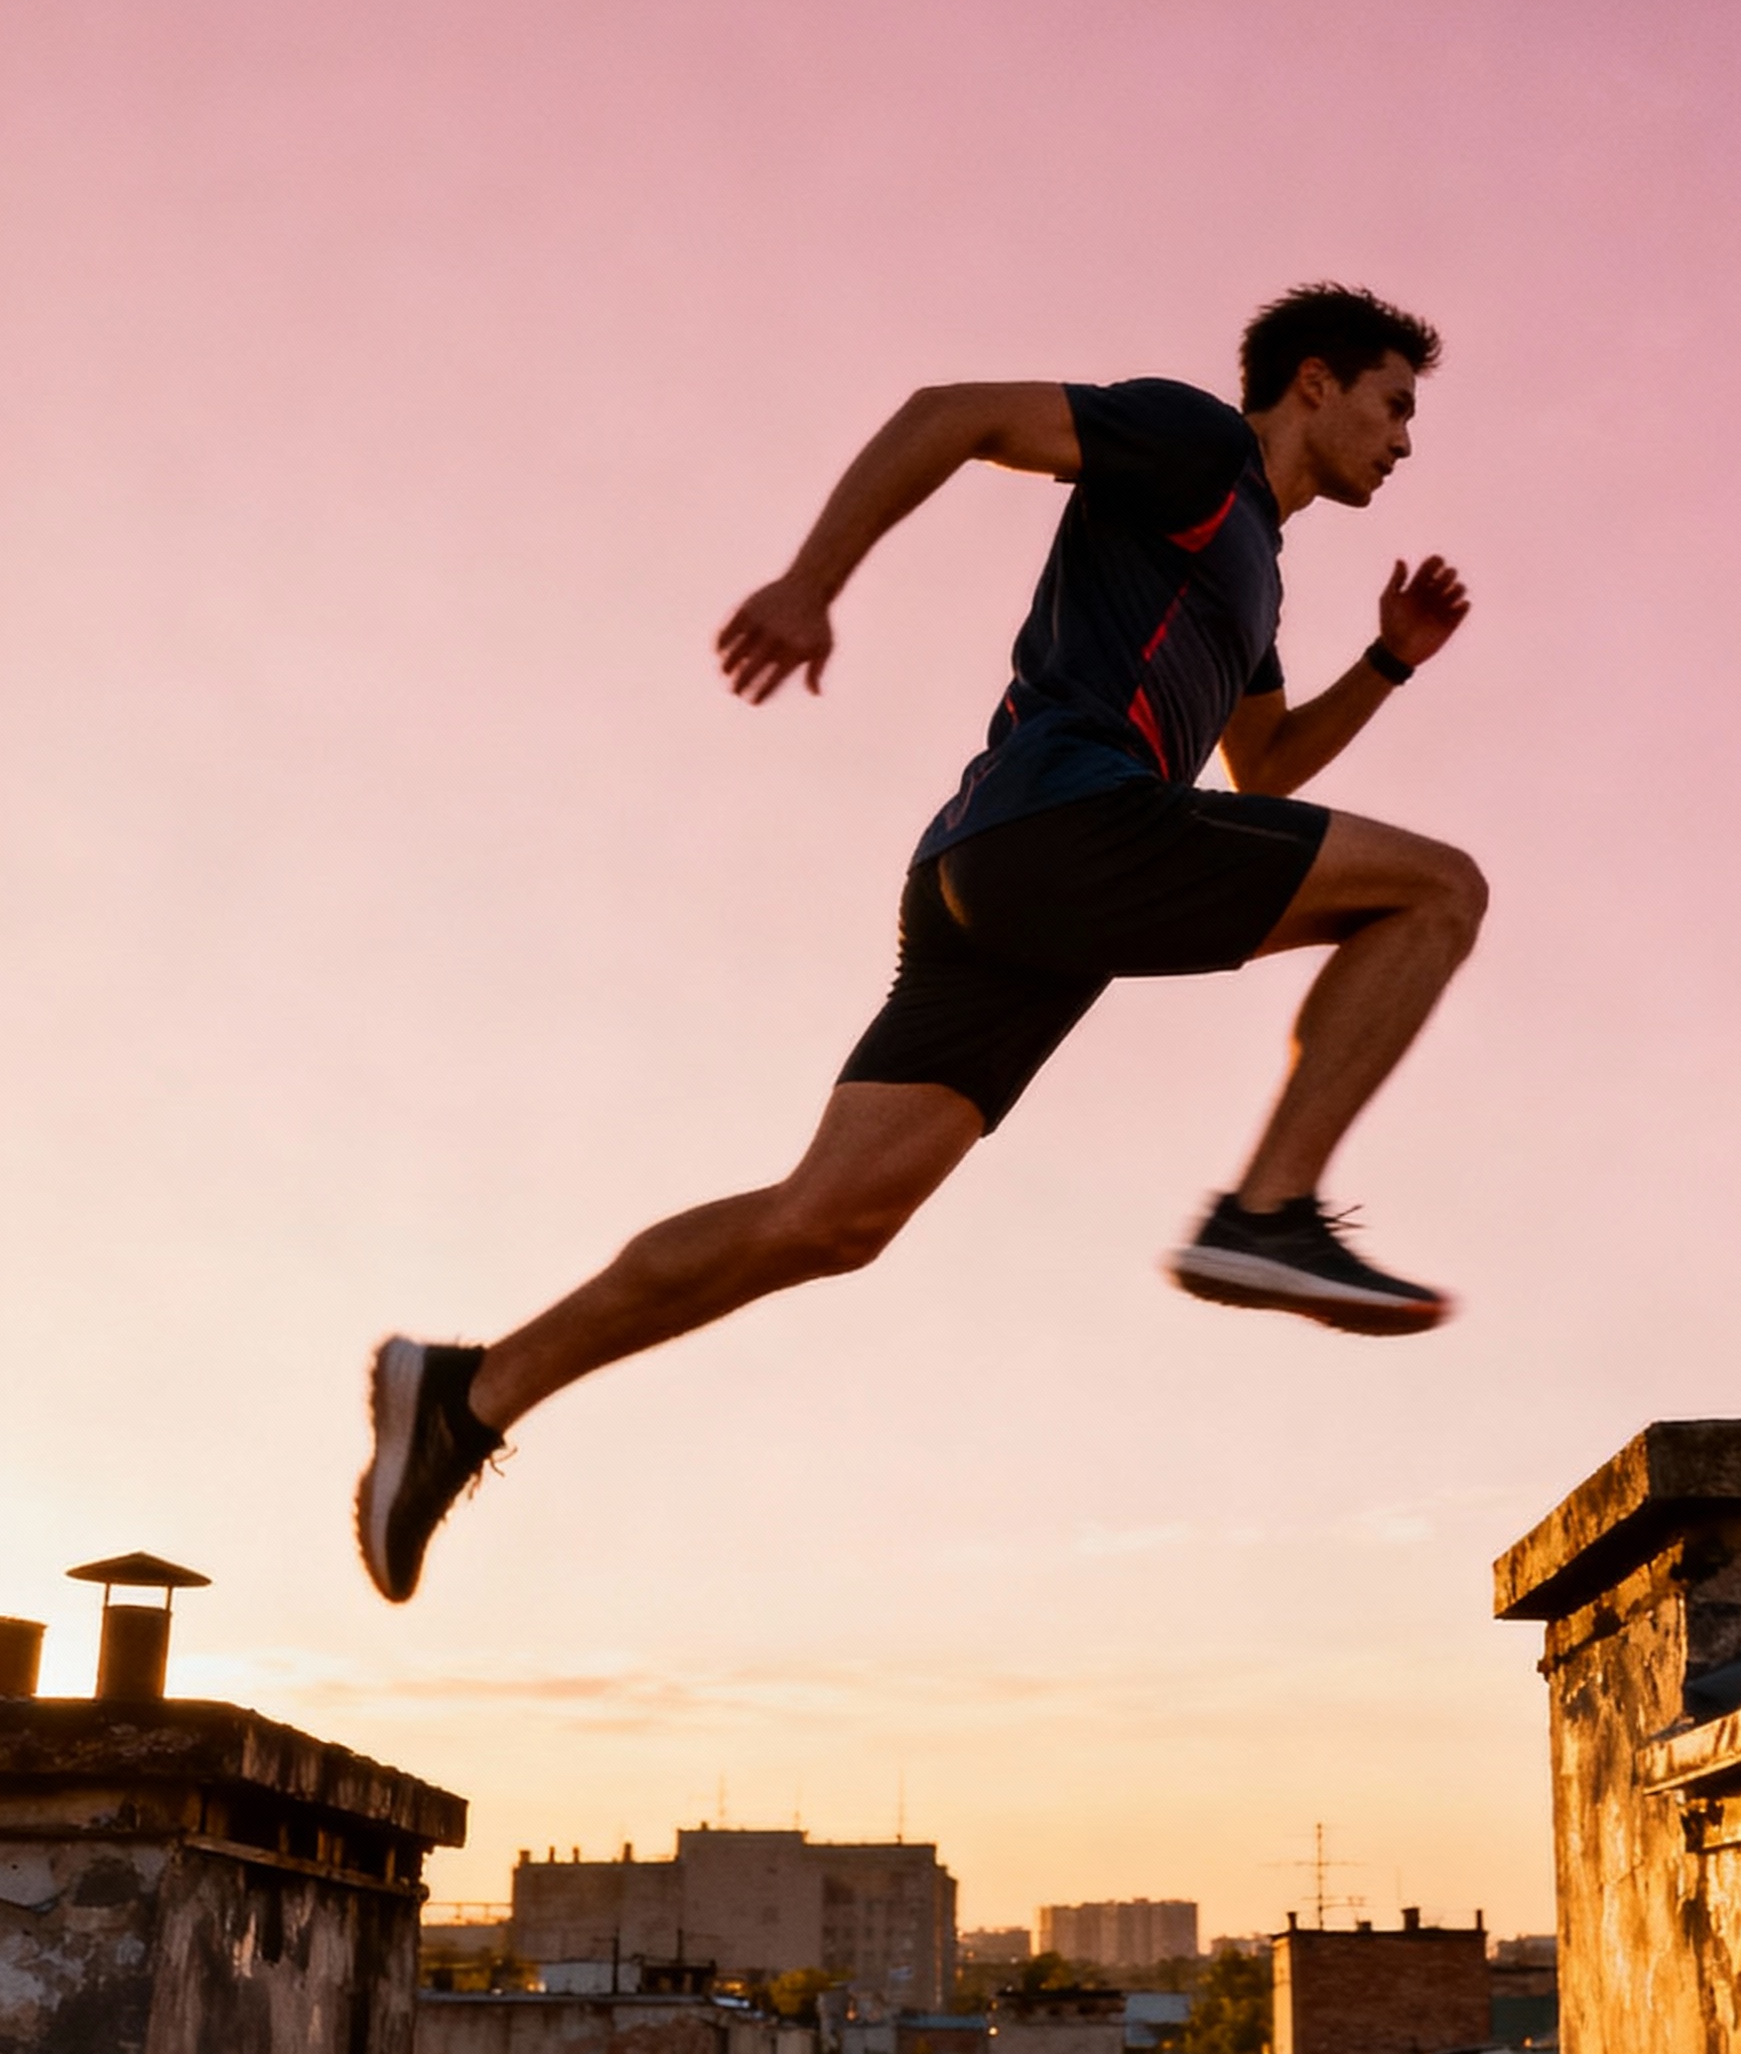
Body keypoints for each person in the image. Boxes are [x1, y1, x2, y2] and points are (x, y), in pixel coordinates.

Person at [357, 280, 1488, 1602]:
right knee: (1441, 891)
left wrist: (1392, 662)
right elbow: (952, 416)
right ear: (1314, 383)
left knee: (827, 1221)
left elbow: (1269, 769)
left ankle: (468, 1395)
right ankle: (1270, 1209)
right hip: (1064, 827)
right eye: (1394, 405)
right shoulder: (1199, 446)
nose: (1406, 442)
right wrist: (810, 582)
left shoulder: (1251, 570)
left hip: (1005, 879)